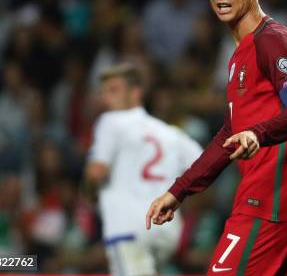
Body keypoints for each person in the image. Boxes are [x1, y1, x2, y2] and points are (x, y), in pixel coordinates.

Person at [146, 0, 287, 275]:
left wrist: (257, 134)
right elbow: (229, 135)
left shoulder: (271, 41)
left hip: (270, 205)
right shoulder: (239, 57)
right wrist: (179, 190)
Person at [84, 63, 202, 276]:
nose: (106, 98)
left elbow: (96, 172)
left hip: (128, 230)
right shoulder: (169, 132)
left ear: (136, 92)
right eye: (104, 92)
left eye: (114, 90)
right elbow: (204, 166)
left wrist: (89, 193)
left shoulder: (111, 121)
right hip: (166, 232)